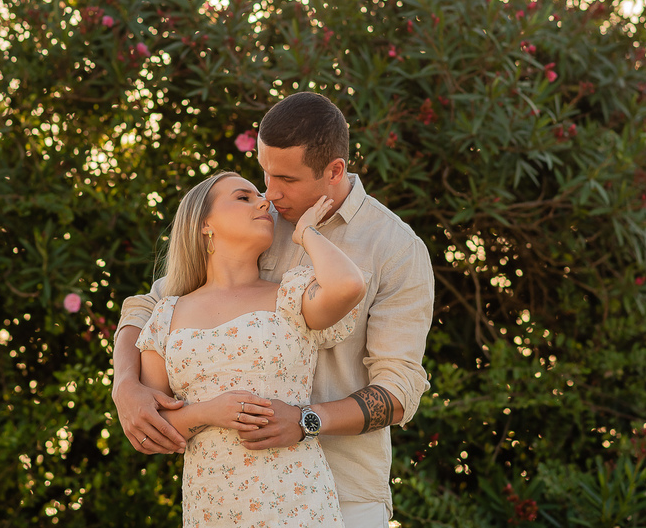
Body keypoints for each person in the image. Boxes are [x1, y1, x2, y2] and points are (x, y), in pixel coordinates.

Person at [113, 92, 435, 527]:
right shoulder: (259, 220)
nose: (269, 192)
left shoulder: (395, 249)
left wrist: (305, 420)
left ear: (334, 170)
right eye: (264, 173)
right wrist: (125, 383)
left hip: (345, 493)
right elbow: (150, 306)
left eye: (285, 179)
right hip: (228, 492)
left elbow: (398, 391)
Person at [135, 171, 366, 526]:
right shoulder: (165, 316)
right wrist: (208, 412)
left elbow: (349, 285)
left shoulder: (289, 295)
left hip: (298, 502)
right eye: (243, 197)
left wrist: (306, 233)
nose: (264, 202)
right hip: (212, 507)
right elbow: (153, 427)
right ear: (204, 224)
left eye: (260, 197)